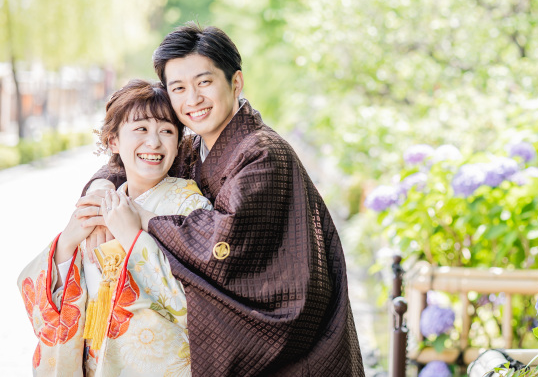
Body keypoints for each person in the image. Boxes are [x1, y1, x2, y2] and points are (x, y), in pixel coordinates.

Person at [81, 24, 364, 376]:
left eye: (204, 82)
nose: (192, 99)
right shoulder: (192, 149)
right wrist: (101, 191)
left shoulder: (262, 155)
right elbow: (134, 164)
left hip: (292, 344)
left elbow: (223, 243)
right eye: (178, 88)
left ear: (236, 82)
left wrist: (141, 219)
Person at [18, 79, 213, 376]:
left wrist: (131, 237)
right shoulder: (104, 205)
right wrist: (66, 246)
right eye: (140, 129)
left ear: (178, 143)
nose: (154, 142)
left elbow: (196, 305)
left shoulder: (192, 207)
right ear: (113, 141)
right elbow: (57, 310)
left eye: (166, 131)